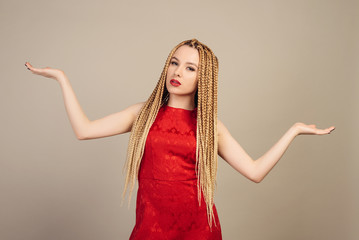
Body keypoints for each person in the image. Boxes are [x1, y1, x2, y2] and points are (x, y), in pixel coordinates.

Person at [24, 38, 335, 240]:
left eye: (190, 68)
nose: (178, 72)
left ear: (203, 78)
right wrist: (61, 78)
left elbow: (254, 172)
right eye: (174, 62)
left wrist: (293, 130)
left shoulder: (209, 127)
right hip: (151, 231)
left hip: (199, 232)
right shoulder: (143, 114)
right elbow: (84, 129)